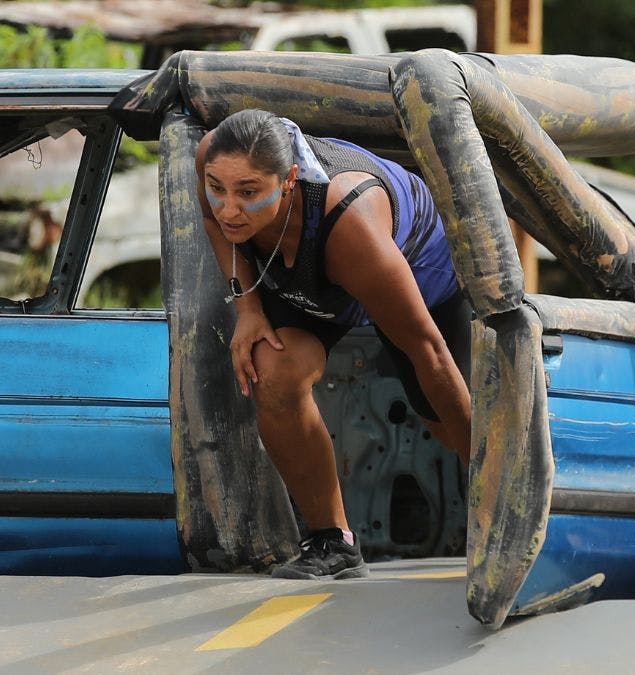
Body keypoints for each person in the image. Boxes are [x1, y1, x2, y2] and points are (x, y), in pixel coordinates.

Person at [195, 109, 472, 580]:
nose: (228, 209)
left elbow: (429, 351)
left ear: (289, 180)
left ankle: (494, 502)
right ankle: (333, 542)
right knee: (272, 370)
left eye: (248, 193)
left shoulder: (350, 224)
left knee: (448, 425)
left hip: (412, 268)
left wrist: (495, 499)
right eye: (217, 188)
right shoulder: (213, 155)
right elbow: (211, 221)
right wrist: (249, 309)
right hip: (308, 273)